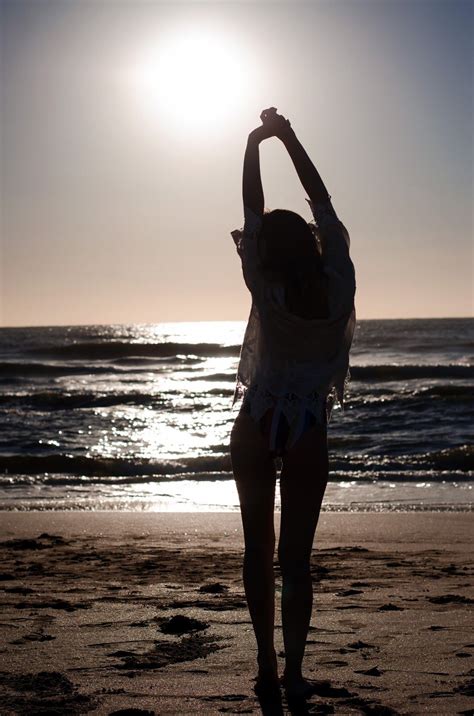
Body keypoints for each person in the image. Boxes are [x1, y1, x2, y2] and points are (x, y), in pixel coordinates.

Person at [229, 108, 356, 700]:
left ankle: (264, 665)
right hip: (306, 424)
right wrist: (289, 137)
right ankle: (296, 670)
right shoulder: (337, 282)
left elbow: (253, 211)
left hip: (257, 421)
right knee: (296, 561)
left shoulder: (265, 283)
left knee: (259, 550)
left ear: (267, 250)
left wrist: (254, 145)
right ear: (311, 240)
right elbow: (322, 202)